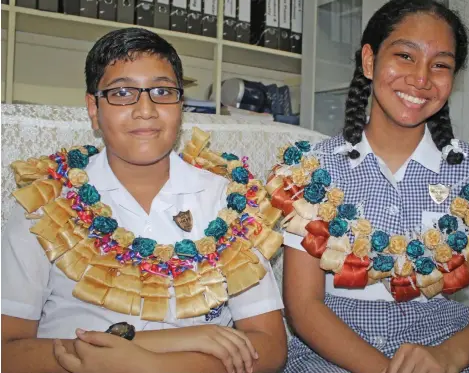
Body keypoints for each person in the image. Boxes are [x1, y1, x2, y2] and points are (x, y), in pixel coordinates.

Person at [1, 27, 287, 373]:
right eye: (122, 93)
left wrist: (157, 366)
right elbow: (8, 350)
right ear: (93, 108)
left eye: (162, 91)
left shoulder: (230, 201)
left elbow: (269, 345)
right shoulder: (48, 201)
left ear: (180, 105)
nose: (146, 109)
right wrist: (155, 343)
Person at [274, 0, 469, 373]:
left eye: (440, 64)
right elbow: (304, 306)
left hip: (444, 353)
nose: (422, 78)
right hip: (334, 353)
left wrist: (449, 357)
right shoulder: (312, 172)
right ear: (369, 61)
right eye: (406, 56)